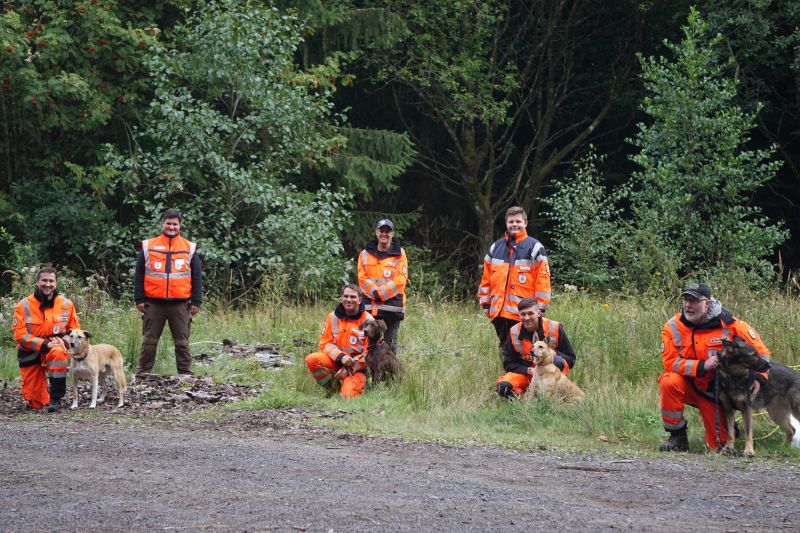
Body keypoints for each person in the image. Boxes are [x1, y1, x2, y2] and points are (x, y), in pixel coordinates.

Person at [658, 283, 771, 452]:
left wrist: (760, 378)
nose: (688, 305)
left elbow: (761, 353)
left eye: (694, 301)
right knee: (668, 381)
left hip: (715, 393)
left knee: (719, 446)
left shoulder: (731, 324)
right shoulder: (673, 326)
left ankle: (731, 428)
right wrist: (702, 365)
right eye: (686, 300)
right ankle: (677, 437)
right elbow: (670, 362)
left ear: (707, 303)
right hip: (688, 384)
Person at [133, 208, 202, 377]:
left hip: (180, 303)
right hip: (153, 303)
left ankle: (185, 375)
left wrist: (196, 301)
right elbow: (139, 273)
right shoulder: (149, 246)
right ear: (162, 224)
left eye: (175, 224)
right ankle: (142, 375)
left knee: (182, 343)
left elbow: (197, 276)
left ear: (180, 225)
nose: (172, 227)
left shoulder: (189, 247)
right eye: (169, 223)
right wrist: (139, 299)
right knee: (149, 342)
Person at [478, 206, 551, 349]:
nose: (514, 225)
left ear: (525, 223)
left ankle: (524, 371)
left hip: (525, 313)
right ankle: (507, 371)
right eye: (511, 222)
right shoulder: (495, 247)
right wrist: (486, 303)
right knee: (505, 348)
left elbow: (543, 280)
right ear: (506, 223)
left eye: (518, 221)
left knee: (526, 349)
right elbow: (486, 278)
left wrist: (540, 307)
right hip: (499, 312)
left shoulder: (535, 247)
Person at [12, 267, 80, 411]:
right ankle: (41, 398)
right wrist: (45, 344)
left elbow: (75, 331)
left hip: (55, 347)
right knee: (36, 403)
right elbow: (20, 336)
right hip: (30, 352)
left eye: (51, 281)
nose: (47, 284)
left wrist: (64, 342)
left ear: (56, 283)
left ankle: (56, 399)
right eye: (44, 280)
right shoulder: (23, 305)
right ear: (37, 282)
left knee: (58, 352)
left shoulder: (67, 304)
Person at [496, 297, 576, 399]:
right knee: (503, 386)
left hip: (550, 373)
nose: (527, 318)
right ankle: (523, 402)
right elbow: (508, 364)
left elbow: (571, 360)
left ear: (539, 313)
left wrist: (552, 353)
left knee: (558, 361)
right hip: (527, 374)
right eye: (523, 314)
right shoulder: (513, 332)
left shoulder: (554, 327)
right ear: (518, 315)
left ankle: (552, 396)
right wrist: (529, 370)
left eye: (530, 313)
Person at [305, 284, 373, 398]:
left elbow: (370, 353)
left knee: (347, 396)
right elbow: (325, 343)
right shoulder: (332, 317)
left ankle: (350, 387)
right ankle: (332, 388)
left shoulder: (369, 321)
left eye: (353, 297)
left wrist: (349, 367)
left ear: (360, 300)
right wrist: (341, 357)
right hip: (335, 361)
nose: (348, 300)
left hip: (356, 369)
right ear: (341, 298)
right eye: (345, 296)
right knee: (312, 359)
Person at [357, 218, 408, 352]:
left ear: (392, 234)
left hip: (392, 308)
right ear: (376, 232)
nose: (384, 234)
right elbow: (362, 278)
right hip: (369, 308)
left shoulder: (400, 254)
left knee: (390, 345)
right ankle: (367, 371)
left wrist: (380, 294)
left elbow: (400, 280)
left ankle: (390, 372)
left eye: (388, 231)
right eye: (381, 231)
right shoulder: (364, 254)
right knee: (367, 344)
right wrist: (374, 292)